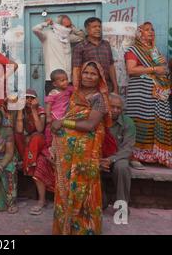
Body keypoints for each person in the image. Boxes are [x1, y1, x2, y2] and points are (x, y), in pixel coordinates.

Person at [51, 61, 112, 235]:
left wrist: (63, 122)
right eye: (86, 72)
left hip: (87, 150)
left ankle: (85, 229)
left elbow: (90, 125)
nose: (89, 76)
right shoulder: (74, 93)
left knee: (85, 188)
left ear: (99, 77)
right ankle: (65, 228)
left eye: (93, 74)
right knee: (67, 186)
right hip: (69, 153)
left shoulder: (99, 98)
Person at [125, 22, 172, 168]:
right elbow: (131, 70)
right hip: (140, 94)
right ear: (139, 33)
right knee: (140, 122)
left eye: (152, 29)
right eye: (146, 30)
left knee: (155, 122)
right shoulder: (133, 50)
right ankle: (135, 156)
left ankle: (155, 155)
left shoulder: (155, 51)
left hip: (157, 95)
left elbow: (162, 70)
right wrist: (154, 68)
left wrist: (164, 68)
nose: (151, 32)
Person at [29, 69, 74, 216]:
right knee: (42, 160)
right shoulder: (52, 94)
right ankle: (41, 200)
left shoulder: (70, 91)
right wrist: (48, 116)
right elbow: (48, 111)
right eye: (61, 80)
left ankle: (65, 201)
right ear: (54, 83)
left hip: (66, 133)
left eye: (66, 79)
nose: (65, 82)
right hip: (54, 122)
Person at [33, 15, 85, 95]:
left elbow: (81, 36)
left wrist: (72, 28)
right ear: (58, 25)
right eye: (66, 26)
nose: (69, 28)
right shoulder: (47, 35)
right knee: (54, 106)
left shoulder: (67, 37)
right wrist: (46, 23)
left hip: (68, 80)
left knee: (69, 106)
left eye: (70, 25)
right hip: (53, 81)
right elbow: (35, 29)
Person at [101, 93, 135, 212]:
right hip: (99, 157)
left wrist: (111, 159)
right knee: (88, 165)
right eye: (112, 106)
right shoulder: (98, 120)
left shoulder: (128, 122)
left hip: (118, 158)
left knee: (122, 167)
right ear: (106, 106)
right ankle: (100, 199)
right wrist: (99, 161)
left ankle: (122, 205)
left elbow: (127, 148)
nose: (115, 110)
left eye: (118, 108)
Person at [72, 17, 118, 93]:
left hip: (107, 86)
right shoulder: (80, 47)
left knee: (107, 105)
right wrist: (76, 90)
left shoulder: (106, 44)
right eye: (94, 27)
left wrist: (115, 87)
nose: (98, 29)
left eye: (99, 27)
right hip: (88, 88)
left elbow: (111, 66)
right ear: (87, 29)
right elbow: (76, 69)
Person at [14, 89, 46, 175]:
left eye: (31, 98)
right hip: (27, 137)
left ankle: (28, 164)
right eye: (26, 98)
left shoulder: (40, 110)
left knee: (36, 137)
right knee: (16, 135)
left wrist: (33, 110)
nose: (29, 100)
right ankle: (26, 161)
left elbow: (40, 129)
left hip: (38, 139)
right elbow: (19, 130)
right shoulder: (22, 110)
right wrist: (20, 109)